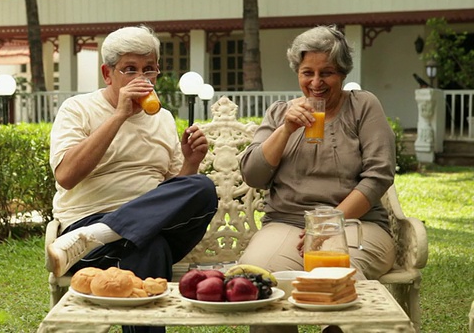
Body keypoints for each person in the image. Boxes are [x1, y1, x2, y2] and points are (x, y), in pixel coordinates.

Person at [46, 25, 218, 333]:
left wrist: (191, 163)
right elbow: (66, 175)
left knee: (202, 187)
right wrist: (118, 116)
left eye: (148, 69)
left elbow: (174, 192)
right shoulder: (78, 109)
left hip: (131, 231)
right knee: (149, 247)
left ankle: (106, 232)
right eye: (130, 69)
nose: (142, 79)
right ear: (107, 73)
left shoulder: (163, 119)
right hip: (84, 231)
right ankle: (101, 233)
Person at [238, 26, 396, 333]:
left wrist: (328, 225)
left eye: (327, 73)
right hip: (287, 223)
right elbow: (253, 174)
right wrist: (285, 130)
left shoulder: (363, 107)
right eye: (307, 72)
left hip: (354, 224)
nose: (316, 82)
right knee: (260, 284)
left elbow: (379, 176)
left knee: (336, 279)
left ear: (343, 73)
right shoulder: (280, 113)